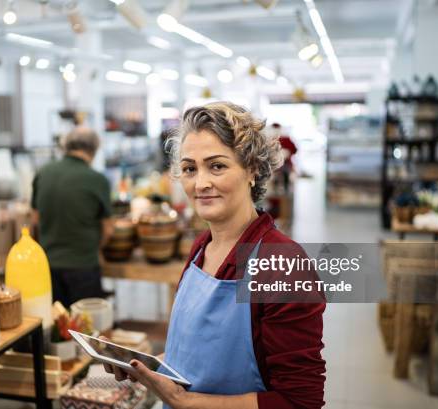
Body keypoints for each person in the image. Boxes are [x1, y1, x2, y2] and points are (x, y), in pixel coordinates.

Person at [104, 102, 326, 408]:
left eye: (217, 166)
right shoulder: (201, 248)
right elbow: (195, 352)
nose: (201, 183)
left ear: (253, 169)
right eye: (189, 169)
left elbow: (299, 401)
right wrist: (148, 366)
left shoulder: (283, 265)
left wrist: (188, 402)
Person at [31, 127, 114, 308]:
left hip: (48, 267)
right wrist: (96, 248)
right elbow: (108, 230)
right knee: (85, 330)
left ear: (66, 146)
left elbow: (35, 221)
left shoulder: (43, 173)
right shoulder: (97, 179)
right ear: (93, 150)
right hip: (83, 268)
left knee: (57, 326)